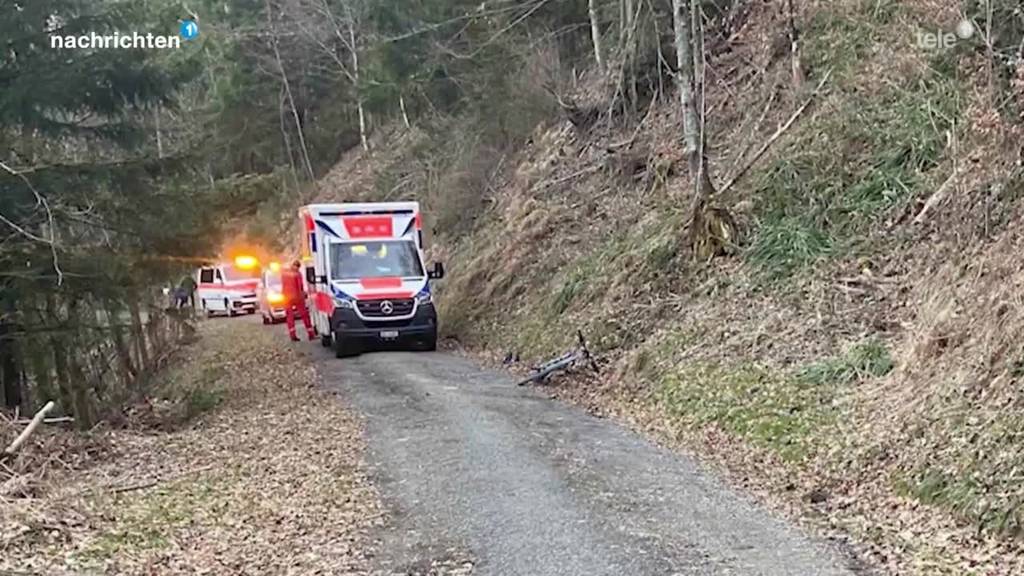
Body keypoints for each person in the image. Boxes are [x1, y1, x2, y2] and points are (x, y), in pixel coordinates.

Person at [281, 260, 315, 342]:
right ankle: (310, 333)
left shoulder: (284, 274)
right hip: (297, 297)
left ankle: (292, 335)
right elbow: (300, 287)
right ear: (297, 266)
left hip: (286, 297)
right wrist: (303, 295)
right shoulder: (297, 274)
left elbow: (283, 285)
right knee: (304, 314)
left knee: (290, 317)